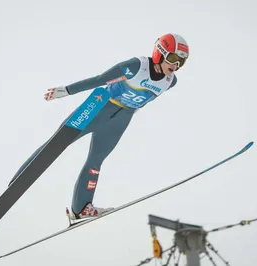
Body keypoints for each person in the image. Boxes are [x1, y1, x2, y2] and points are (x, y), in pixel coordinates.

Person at [12, 33, 189, 221]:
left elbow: (144, 100)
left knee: (95, 162)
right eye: (173, 58)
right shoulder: (136, 67)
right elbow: (100, 80)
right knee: (58, 142)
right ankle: (19, 180)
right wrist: (66, 90)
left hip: (121, 119)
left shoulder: (170, 82)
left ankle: (81, 208)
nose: (176, 65)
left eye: (181, 62)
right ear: (159, 53)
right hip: (99, 107)